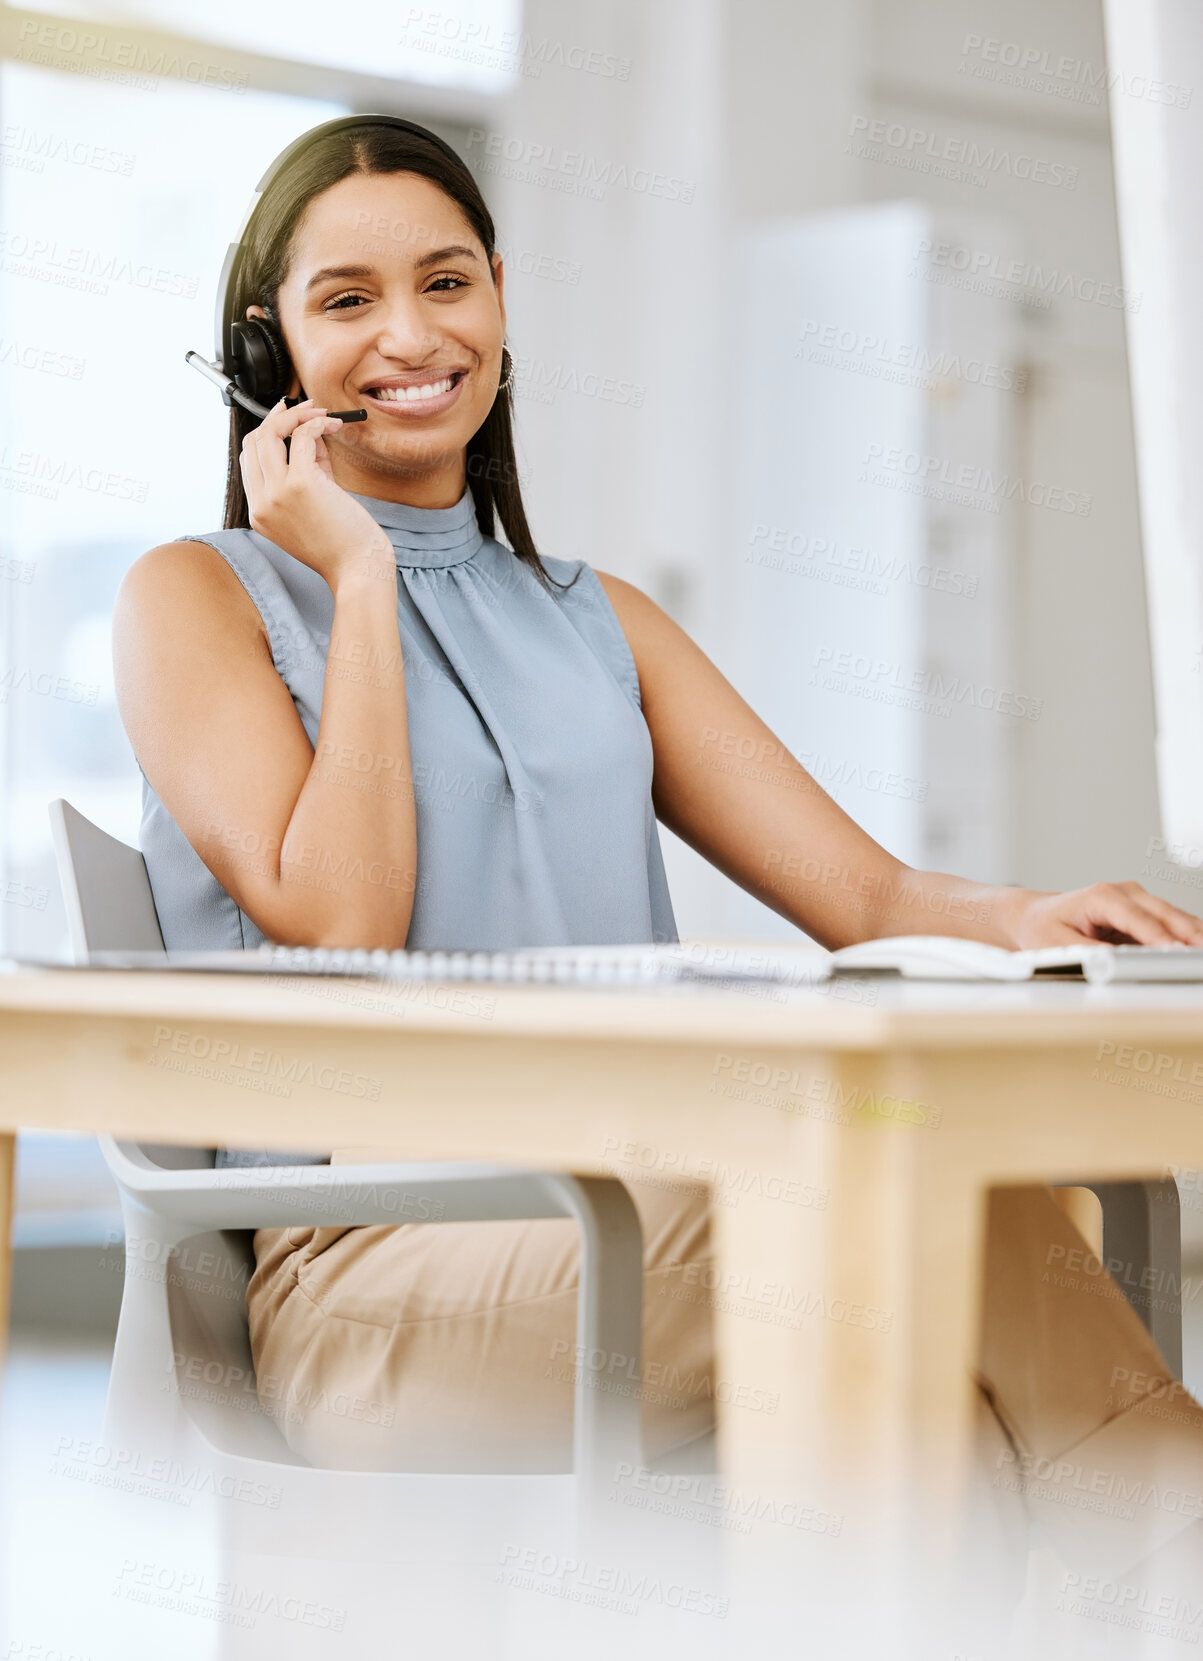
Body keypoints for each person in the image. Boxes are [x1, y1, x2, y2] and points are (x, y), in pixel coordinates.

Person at [111, 117, 1203, 1592]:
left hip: (632, 1225)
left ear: (499, 291)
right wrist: (357, 572)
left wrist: (1036, 910)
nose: (412, 335)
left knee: (936, 1394)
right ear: (271, 347)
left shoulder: (590, 614)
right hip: (375, 1278)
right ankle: (1173, 1528)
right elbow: (339, 917)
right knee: (907, 1198)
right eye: (348, 300)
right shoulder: (197, 597)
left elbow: (866, 894)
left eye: (446, 282)